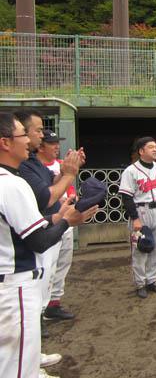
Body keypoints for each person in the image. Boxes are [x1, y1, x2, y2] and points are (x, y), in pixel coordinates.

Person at [0, 113, 97, 378]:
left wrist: (57, 217)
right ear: (5, 143)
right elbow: (39, 241)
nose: (31, 140)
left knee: (14, 358)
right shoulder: (11, 184)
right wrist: (67, 222)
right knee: (17, 367)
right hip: (14, 285)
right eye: (23, 134)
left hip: (8, 280)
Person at [16, 109, 84, 345]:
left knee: (55, 270)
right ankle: (39, 317)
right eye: (37, 131)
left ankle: (47, 310)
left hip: (51, 221)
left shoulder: (33, 162)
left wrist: (67, 171)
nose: (41, 135)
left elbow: (52, 183)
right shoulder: (20, 169)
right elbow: (46, 197)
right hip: (36, 232)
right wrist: (70, 174)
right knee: (41, 275)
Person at [119, 137, 156, 299]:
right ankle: (140, 284)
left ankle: (152, 281)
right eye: (150, 147)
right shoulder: (131, 171)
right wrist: (135, 218)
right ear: (141, 151)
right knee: (140, 249)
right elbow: (127, 197)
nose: (155, 149)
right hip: (141, 211)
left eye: (155, 147)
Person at [38, 130, 77, 321]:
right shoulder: (35, 169)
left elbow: (70, 188)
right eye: (52, 143)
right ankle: (40, 311)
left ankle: (54, 304)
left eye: (57, 143)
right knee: (47, 266)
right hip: (48, 221)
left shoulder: (62, 165)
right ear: (40, 146)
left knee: (62, 264)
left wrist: (72, 198)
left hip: (65, 220)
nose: (57, 146)